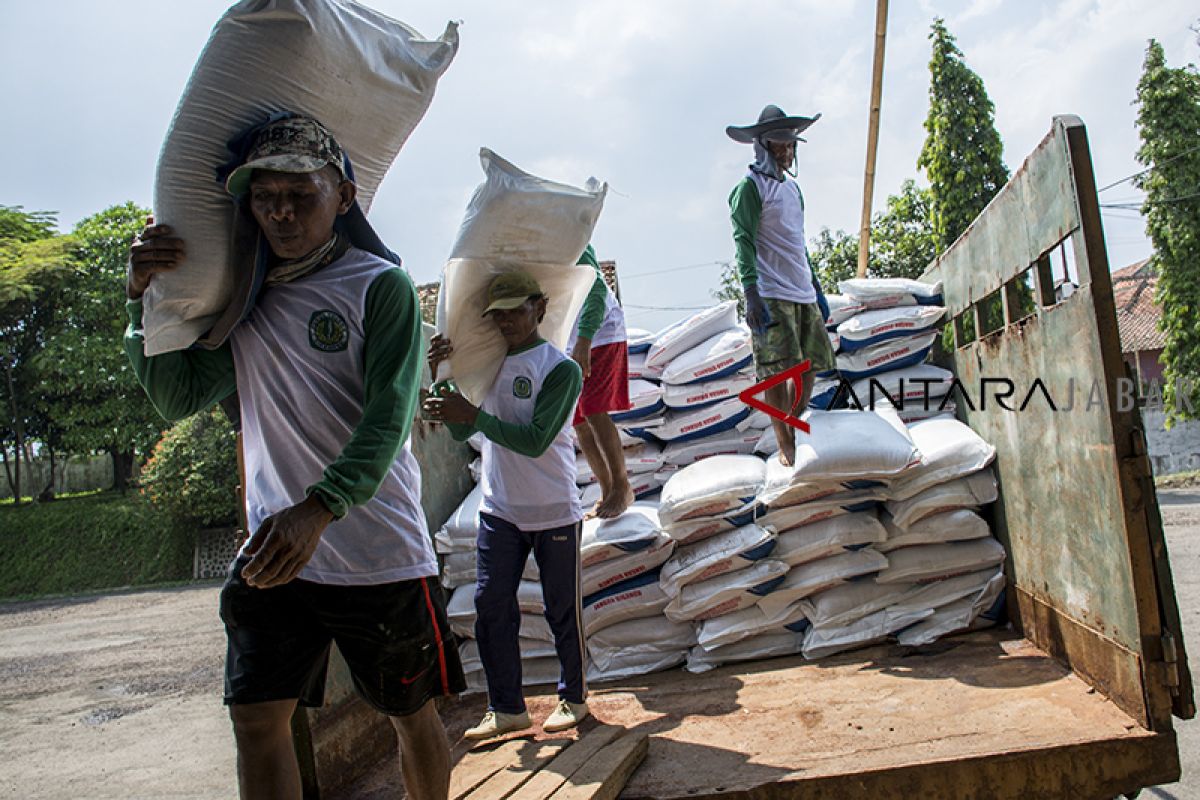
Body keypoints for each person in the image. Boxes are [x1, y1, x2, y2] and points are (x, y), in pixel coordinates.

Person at [124, 114, 464, 800]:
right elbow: (178, 394)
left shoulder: (378, 287)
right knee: (256, 718)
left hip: (377, 554)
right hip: (276, 553)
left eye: (300, 195)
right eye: (263, 197)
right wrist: (140, 305)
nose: (280, 212)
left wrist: (320, 508)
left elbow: (390, 418)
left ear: (343, 197)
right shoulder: (242, 300)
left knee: (410, 715)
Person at [423, 271, 589, 739]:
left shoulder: (561, 369)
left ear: (539, 307)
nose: (508, 321)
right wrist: (444, 380)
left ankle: (573, 698)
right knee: (490, 605)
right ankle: (506, 707)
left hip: (553, 509)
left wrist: (472, 415)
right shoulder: (486, 364)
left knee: (561, 610)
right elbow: (459, 430)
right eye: (499, 314)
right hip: (500, 510)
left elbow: (536, 440)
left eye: (517, 310)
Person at [727, 104, 836, 466]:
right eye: (779, 145)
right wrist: (750, 293)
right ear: (762, 145)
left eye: (791, 145)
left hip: (801, 289)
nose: (786, 152)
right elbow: (743, 240)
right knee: (776, 370)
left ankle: (793, 418)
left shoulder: (792, 190)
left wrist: (817, 290)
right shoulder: (749, 188)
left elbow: (797, 242)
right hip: (771, 292)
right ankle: (784, 442)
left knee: (811, 366)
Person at [569, 244, 634, 519]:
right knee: (579, 421)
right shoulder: (533, 251)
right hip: (571, 338)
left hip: (600, 330)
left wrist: (584, 339)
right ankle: (606, 490)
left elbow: (595, 290)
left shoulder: (573, 242)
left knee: (594, 409)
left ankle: (622, 487)